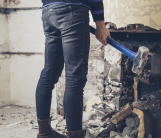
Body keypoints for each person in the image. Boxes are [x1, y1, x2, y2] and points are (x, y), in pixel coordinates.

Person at [36, 0, 110, 137]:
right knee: (75, 77)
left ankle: (44, 133)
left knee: (49, 72)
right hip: (73, 9)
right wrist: (100, 23)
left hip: (49, 11)